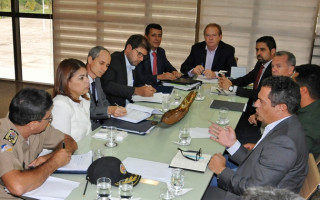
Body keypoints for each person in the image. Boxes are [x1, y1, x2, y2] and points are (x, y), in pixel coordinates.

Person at [203, 76, 308, 200]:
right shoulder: (285, 125)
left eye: (261, 101)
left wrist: (221, 170)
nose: (255, 104)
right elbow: (258, 166)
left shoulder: (284, 143)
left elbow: (256, 191)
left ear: (281, 107)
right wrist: (232, 144)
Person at [0, 88, 78, 199]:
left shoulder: (36, 128)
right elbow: (17, 187)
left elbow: (70, 141)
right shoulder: (4, 141)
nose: (49, 121)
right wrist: (54, 162)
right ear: (33, 124)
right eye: (48, 118)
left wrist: (50, 156)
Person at [219, 36, 276, 143]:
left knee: (228, 122)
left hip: (257, 114)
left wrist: (231, 88)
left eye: (262, 49)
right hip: (251, 106)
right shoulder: (260, 63)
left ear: (273, 51)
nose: (258, 53)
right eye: (257, 49)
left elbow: (258, 94)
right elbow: (248, 78)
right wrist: (230, 82)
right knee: (222, 113)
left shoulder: (274, 69)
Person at [101, 34, 157, 106]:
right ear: (128, 48)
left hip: (131, 106)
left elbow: (140, 80)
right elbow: (107, 85)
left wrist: (148, 89)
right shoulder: (114, 60)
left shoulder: (135, 62)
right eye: (140, 54)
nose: (141, 59)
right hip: (115, 109)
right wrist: (136, 91)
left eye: (143, 56)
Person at [86, 46, 127, 130]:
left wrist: (116, 110)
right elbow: (87, 111)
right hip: (88, 129)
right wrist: (109, 110)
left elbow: (104, 101)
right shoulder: (80, 81)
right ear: (90, 60)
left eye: (107, 65)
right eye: (101, 63)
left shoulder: (97, 79)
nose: (104, 69)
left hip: (101, 125)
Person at [51, 58, 91, 142]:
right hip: (66, 153)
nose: (88, 81)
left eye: (86, 76)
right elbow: (62, 144)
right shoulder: (60, 104)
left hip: (83, 151)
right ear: (67, 82)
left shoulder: (84, 98)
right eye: (81, 78)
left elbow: (87, 133)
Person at [293, 64, 320, 158]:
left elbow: (291, 156)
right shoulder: (310, 109)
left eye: (292, 85)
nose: (289, 89)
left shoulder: (309, 122)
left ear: (303, 90)